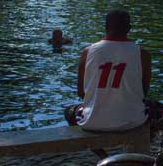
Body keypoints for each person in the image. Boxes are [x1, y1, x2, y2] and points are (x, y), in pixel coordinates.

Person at [64, 10, 156, 138]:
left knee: (69, 111)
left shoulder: (88, 52)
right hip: (133, 122)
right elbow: (143, 92)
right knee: (155, 108)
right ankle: (138, 152)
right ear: (129, 28)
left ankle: (98, 151)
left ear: (106, 27)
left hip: (92, 122)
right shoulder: (143, 54)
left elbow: (81, 93)